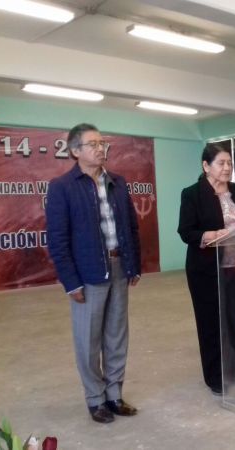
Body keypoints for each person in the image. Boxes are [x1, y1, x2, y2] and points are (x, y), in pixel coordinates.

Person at [46, 123, 141, 424]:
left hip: (118, 267)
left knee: (117, 336)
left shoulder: (118, 182)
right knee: (88, 341)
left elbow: (131, 227)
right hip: (87, 273)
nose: (100, 149)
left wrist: (134, 264)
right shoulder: (62, 187)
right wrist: (70, 281)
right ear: (75, 151)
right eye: (92, 144)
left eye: (102, 143)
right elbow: (58, 240)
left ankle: (114, 395)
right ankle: (95, 399)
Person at [178, 144, 235, 396]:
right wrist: (212, 234)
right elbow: (186, 231)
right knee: (212, 323)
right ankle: (215, 376)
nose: (227, 168)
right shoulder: (192, 193)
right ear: (206, 166)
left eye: (229, 163)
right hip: (207, 270)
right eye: (221, 163)